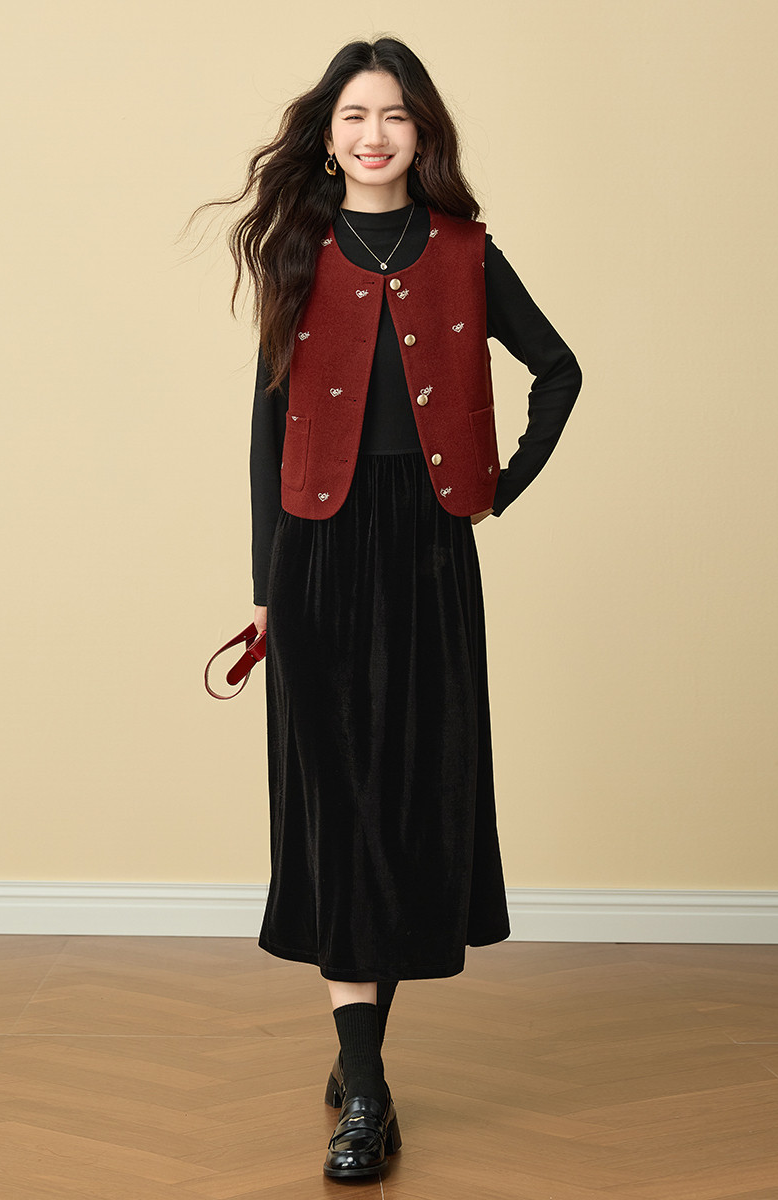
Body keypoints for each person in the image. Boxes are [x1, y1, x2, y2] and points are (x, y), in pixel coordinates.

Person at [199, 36, 582, 1180]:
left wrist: (496, 484)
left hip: (427, 554)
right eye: (356, 115)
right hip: (315, 557)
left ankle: (357, 1054)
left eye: (396, 116)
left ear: (422, 134)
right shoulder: (298, 247)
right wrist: (265, 591)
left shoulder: (465, 250)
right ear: (328, 135)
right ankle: (365, 1089)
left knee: (411, 797)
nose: (375, 134)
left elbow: (559, 369)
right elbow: (269, 429)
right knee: (338, 805)